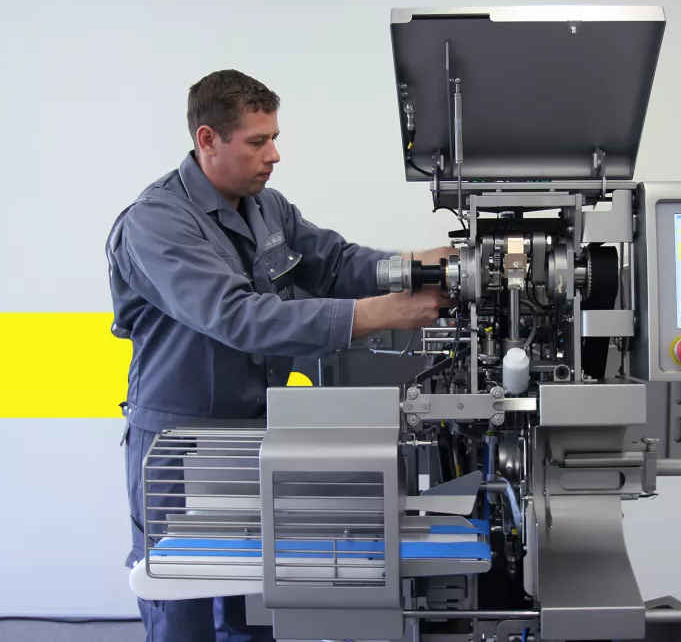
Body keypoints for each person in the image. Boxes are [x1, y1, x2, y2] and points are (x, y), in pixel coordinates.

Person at [105, 69, 453, 642]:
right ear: (208, 140)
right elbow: (238, 318)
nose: (275, 155)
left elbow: (337, 263)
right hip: (180, 444)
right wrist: (385, 313)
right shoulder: (156, 224)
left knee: (259, 599)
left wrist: (418, 267)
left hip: (254, 436)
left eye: (275, 138)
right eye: (258, 142)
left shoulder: (266, 206)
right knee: (181, 603)